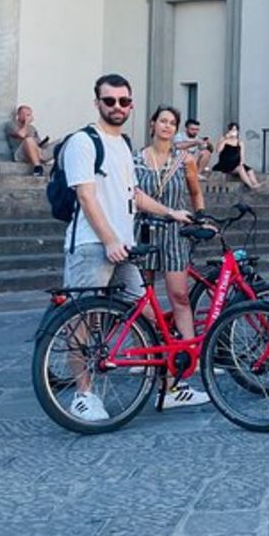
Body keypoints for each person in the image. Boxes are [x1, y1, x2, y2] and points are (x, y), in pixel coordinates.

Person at [60, 74, 194, 422]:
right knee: (85, 320)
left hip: (125, 246)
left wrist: (171, 212)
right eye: (110, 101)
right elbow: (86, 195)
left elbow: (133, 194)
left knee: (148, 316)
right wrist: (108, 239)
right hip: (93, 244)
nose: (117, 107)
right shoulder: (83, 142)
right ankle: (84, 395)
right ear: (97, 103)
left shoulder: (121, 144)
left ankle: (169, 388)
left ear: (131, 105)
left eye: (123, 101)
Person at [134, 105, 210, 408]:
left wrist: (201, 216)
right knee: (143, 299)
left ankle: (183, 364)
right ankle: (149, 350)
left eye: (172, 123)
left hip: (175, 232)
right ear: (152, 124)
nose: (166, 126)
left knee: (179, 296)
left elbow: (194, 192)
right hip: (144, 231)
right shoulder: (137, 159)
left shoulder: (185, 160)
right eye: (162, 121)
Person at [212, 122, 261, 190]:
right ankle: (250, 185)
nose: (233, 132)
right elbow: (218, 150)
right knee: (240, 169)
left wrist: (242, 162)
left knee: (249, 170)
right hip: (225, 163)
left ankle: (255, 183)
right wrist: (224, 139)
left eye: (235, 130)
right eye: (232, 130)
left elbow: (242, 155)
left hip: (236, 162)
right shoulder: (224, 140)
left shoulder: (240, 142)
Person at [4, 104, 50, 175]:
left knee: (59, 143)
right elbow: (21, 135)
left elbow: (38, 142)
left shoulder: (32, 128)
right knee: (28, 140)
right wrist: (26, 123)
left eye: (30, 115)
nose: (28, 117)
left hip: (36, 151)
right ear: (19, 115)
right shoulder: (11, 124)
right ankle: (37, 167)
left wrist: (45, 144)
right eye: (26, 115)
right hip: (20, 155)